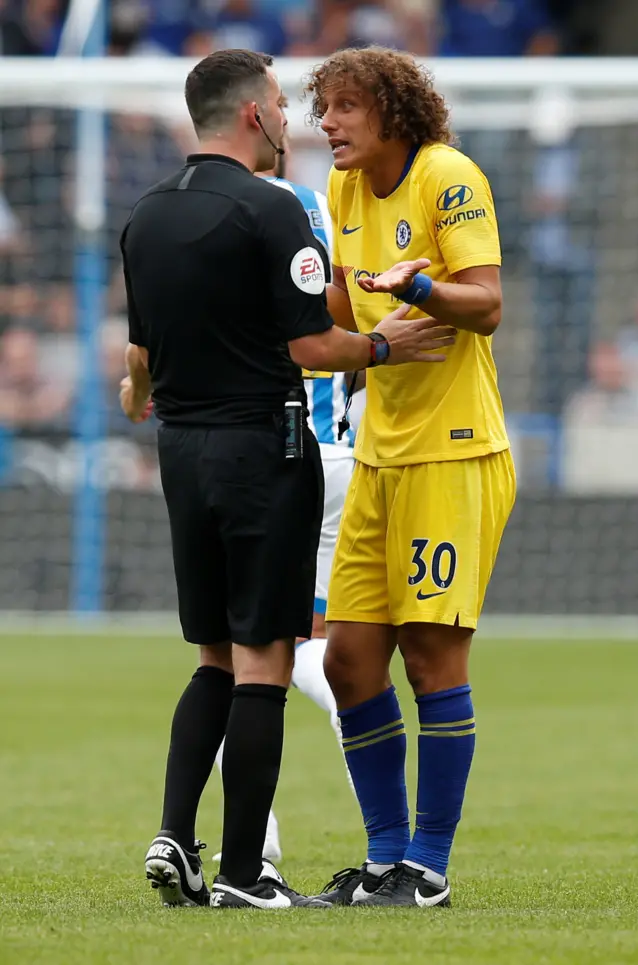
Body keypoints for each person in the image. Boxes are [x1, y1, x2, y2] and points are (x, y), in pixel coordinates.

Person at [119, 49, 457, 911]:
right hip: (272, 453)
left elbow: (139, 363)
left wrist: (140, 393)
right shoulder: (279, 211)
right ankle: (246, 872)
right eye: (281, 103)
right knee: (277, 658)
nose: (293, 119)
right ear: (252, 116)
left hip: (182, 456)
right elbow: (311, 348)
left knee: (212, 660)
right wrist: (386, 345)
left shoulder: (146, 217)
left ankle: (174, 835)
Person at [304, 46, 517, 907]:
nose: (328, 124)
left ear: (391, 111)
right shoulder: (345, 191)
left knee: (432, 657)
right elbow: (345, 311)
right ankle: (384, 860)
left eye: (345, 108)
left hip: (454, 450)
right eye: (322, 110)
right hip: (381, 453)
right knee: (351, 659)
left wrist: (422, 286)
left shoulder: (446, 174)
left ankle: (425, 868)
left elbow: (489, 301)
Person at [211, 137, 359, 864]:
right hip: (337, 452)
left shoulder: (211, 214)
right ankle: (388, 843)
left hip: (261, 451)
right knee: (326, 647)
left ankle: (255, 847)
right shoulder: (323, 207)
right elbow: (342, 313)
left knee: (242, 658)